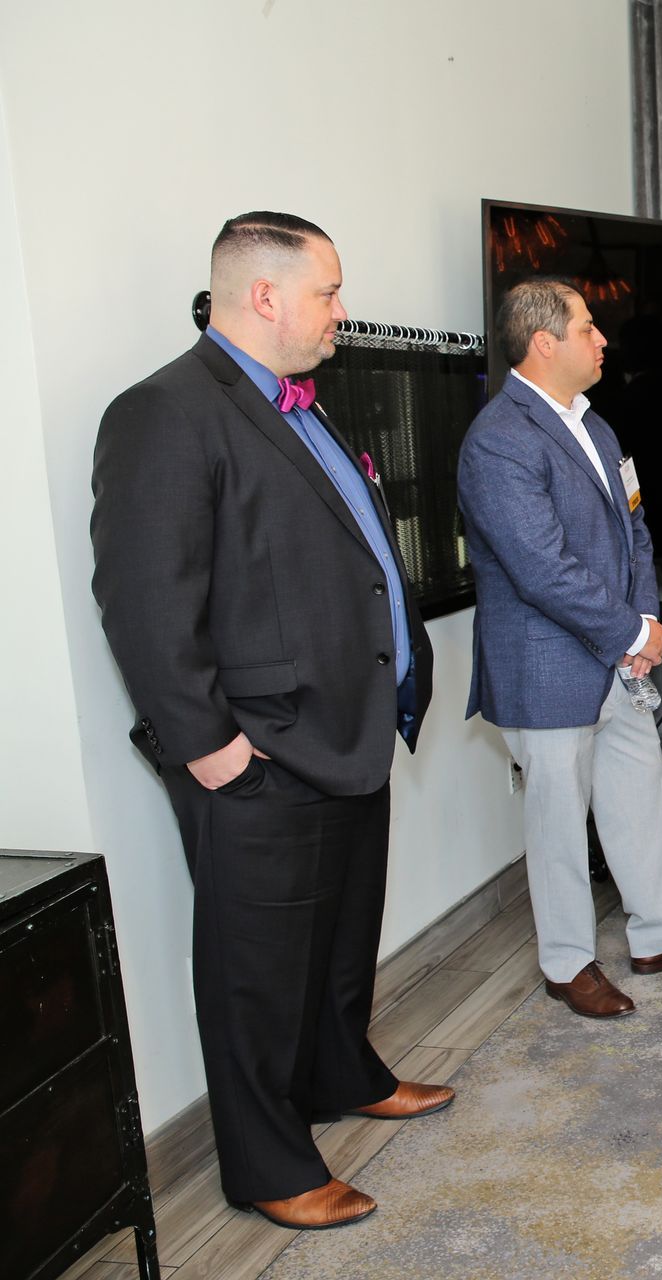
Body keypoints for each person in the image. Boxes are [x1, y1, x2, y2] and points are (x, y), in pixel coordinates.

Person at [91, 212, 443, 1230]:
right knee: (255, 970)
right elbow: (145, 598)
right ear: (264, 295)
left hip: (346, 732)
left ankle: (342, 1070)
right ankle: (269, 1161)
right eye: (329, 292)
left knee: (337, 944)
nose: (341, 311)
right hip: (260, 749)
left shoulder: (301, 407)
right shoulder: (164, 412)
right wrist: (210, 747)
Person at [459, 278, 662, 1019]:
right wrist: (629, 631)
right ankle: (567, 964)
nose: (603, 339)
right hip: (546, 665)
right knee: (557, 823)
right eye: (588, 327)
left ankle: (657, 934)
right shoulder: (499, 439)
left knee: (639, 797)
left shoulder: (599, 425)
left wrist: (642, 625)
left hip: (616, 657)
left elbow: (635, 531)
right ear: (544, 342)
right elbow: (540, 566)